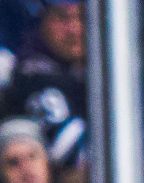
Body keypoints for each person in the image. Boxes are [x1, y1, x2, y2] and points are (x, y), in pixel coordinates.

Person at [7, 0, 88, 164]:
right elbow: (70, 151)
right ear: (43, 20)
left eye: (83, 17)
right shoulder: (31, 76)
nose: (74, 30)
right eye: (63, 18)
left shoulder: (106, 65)